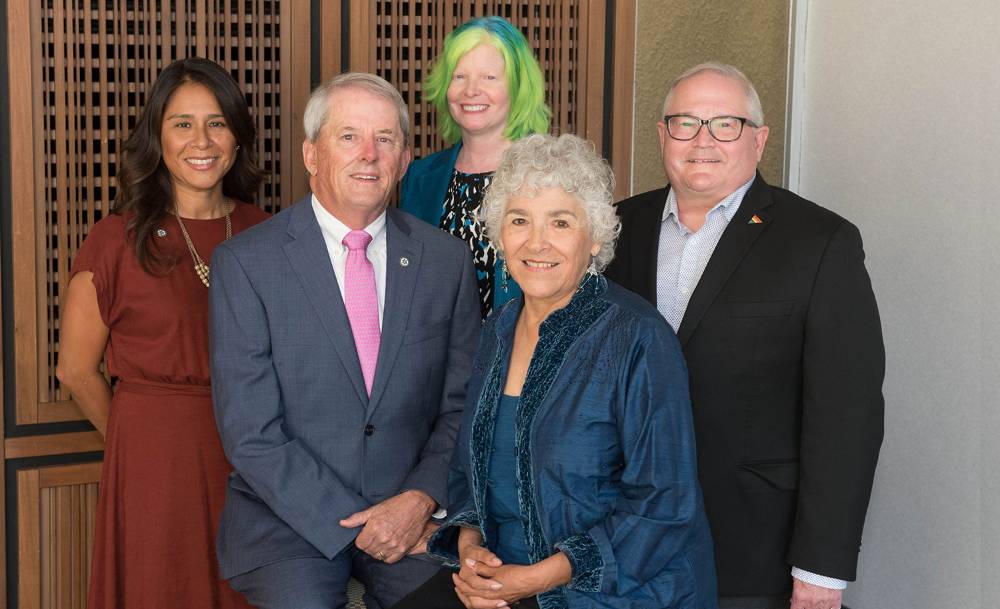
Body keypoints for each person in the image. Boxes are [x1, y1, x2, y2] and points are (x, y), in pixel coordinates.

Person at [393, 133, 718, 609]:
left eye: (560, 222)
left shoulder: (637, 339)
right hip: (501, 577)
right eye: (519, 219)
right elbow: (470, 470)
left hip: (614, 592)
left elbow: (663, 506)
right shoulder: (498, 329)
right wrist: (470, 553)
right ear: (498, 233)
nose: (536, 241)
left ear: (595, 237)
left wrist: (533, 580)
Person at [605, 62, 885, 609]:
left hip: (757, 555)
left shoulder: (821, 243)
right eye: (685, 122)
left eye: (725, 124)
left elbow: (847, 419)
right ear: (662, 136)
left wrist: (820, 572)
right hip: (622, 547)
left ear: (758, 141)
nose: (703, 140)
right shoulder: (613, 231)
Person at [209, 72, 481, 609]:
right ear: (311, 154)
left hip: (412, 515)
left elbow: (463, 406)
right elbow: (252, 432)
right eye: (349, 136)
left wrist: (420, 499)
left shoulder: (445, 261)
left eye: (385, 139)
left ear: (404, 160)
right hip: (288, 521)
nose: (369, 155)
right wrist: (360, 525)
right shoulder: (246, 264)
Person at [55, 57, 268, 609]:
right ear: (157, 138)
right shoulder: (114, 240)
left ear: (238, 138)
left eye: (217, 122)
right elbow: (75, 369)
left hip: (253, 456)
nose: (202, 139)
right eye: (182, 123)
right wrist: (133, 441)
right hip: (152, 456)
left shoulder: (270, 233)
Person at [400, 16, 551, 318]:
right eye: (459, 77)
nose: (471, 90)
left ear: (519, 87)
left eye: (489, 78)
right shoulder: (420, 177)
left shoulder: (549, 174)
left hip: (520, 355)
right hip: (439, 359)